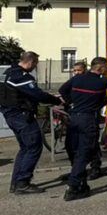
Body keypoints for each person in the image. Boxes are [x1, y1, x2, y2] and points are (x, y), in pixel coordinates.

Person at [59, 54, 107, 201]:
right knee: (84, 152)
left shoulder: (77, 78)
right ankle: (74, 187)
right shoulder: (100, 82)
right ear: (101, 68)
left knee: (74, 150)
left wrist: (71, 102)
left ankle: (81, 182)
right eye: (106, 68)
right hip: (88, 119)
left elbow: (62, 90)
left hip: (74, 118)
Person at [0, 51, 62, 194]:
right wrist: (56, 100)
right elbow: (37, 94)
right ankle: (22, 182)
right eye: (35, 64)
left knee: (25, 149)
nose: (35, 67)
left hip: (12, 116)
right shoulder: (21, 76)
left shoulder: (10, 72)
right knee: (34, 147)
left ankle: (16, 182)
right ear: (30, 62)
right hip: (22, 117)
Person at [60, 61, 104, 180]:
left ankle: (95, 168)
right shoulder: (75, 81)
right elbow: (63, 90)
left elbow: (103, 99)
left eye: (79, 70)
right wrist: (70, 102)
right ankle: (77, 170)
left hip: (88, 117)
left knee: (91, 145)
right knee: (71, 145)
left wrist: (92, 106)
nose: (76, 73)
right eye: (74, 71)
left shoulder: (92, 82)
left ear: (85, 70)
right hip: (74, 116)